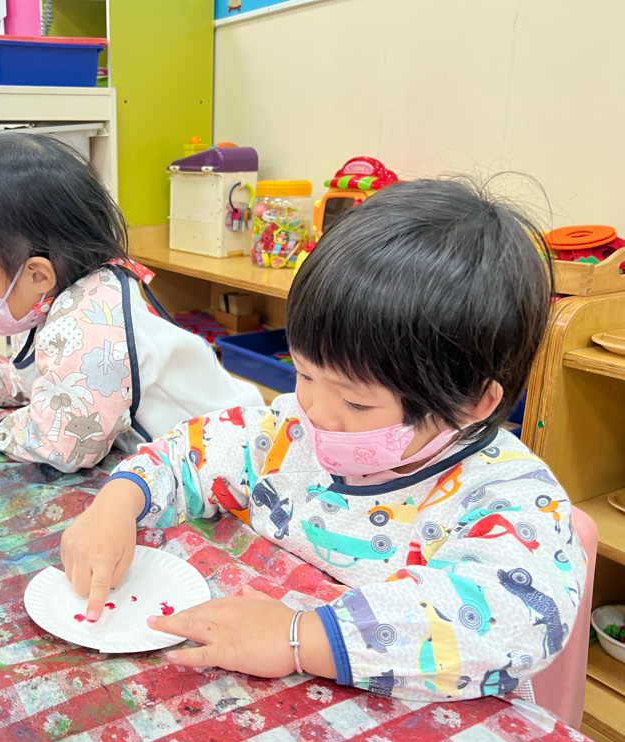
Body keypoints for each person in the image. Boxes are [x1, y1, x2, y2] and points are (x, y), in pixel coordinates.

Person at [60, 178, 585, 700]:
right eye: (305, 373)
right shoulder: (289, 433)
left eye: (356, 402)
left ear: (472, 403)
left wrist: (297, 638)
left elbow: (509, 622)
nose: (313, 409)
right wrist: (118, 503)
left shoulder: (505, 498)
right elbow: (192, 451)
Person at [0, 133, 263, 472]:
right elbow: (39, 377)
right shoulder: (63, 295)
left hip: (230, 456)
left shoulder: (89, 323)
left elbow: (66, 445)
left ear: (37, 275)